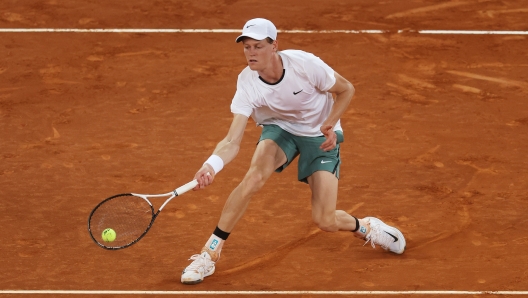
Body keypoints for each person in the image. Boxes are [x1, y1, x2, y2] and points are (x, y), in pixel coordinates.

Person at [180, 18, 406, 285]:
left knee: (325, 220)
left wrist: (330, 123)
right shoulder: (247, 82)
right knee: (253, 178)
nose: (251, 53)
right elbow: (232, 141)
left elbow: (346, 89)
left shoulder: (305, 64)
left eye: (258, 46)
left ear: (274, 45)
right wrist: (211, 165)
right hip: (280, 129)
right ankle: (209, 253)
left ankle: (367, 227)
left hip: (318, 135)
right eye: (246, 47)